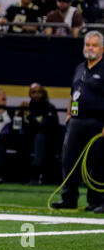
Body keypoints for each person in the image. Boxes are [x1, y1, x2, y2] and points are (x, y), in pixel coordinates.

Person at [51, 31, 104, 213]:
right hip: (76, 120)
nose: (90, 48)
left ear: (102, 49)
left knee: (96, 163)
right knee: (69, 160)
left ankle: (98, 201)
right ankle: (69, 198)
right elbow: (73, 93)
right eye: (87, 44)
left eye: (94, 45)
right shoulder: (79, 68)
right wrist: (69, 113)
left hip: (97, 122)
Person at [21, 83, 60, 185]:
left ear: (43, 93)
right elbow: (16, 128)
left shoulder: (49, 108)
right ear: (29, 94)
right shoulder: (26, 107)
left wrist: (30, 116)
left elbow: (45, 128)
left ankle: (36, 174)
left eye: (39, 92)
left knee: (39, 136)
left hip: (48, 141)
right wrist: (16, 115)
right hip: (28, 139)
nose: (36, 95)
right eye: (33, 92)